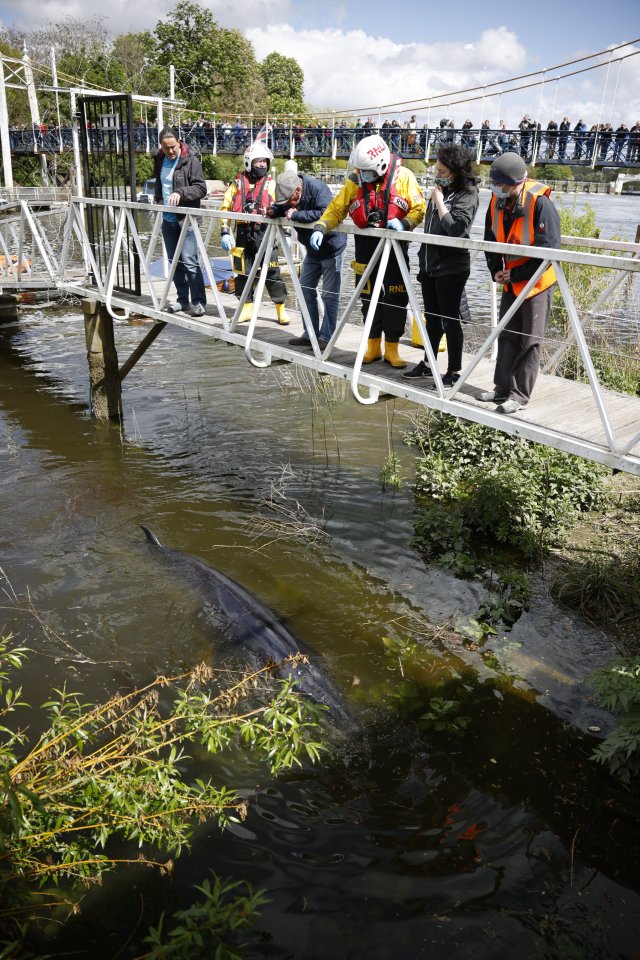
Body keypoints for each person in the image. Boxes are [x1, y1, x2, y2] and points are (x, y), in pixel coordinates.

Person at [309, 134, 426, 368]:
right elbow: (337, 207)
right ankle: (373, 346)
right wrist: (321, 226)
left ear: (381, 164)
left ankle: (392, 349)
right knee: (367, 296)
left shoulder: (404, 177)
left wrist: (404, 223)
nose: (362, 176)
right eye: (360, 171)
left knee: (395, 297)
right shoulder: (356, 179)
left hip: (394, 247)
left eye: (366, 171)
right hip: (365, 246)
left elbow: (419, 207)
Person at [478, 152, 561, 414]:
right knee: (508, 334)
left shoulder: (540, 203)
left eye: (499, 185)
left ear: (515, 183)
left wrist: (516, 274)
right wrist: (496, 270)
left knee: (530, 341)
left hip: (537, 283)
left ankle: (519, 396)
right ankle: (501, 389)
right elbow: (489, 240)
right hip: (510, 280)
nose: (495, 189)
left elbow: (550, 251)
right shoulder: (496, 200)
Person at [403, 144, 479, 385]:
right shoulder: (441, 190)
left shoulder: (468, 193)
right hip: (430, 265)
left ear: (457, 172)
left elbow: (457, 229)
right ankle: (428, 364)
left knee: (449, 319)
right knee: (432, 319)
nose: (438, 175)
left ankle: (454, 371)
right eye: (437, 170)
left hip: (452, 266)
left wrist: (438, 202)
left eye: (443, 172)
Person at [267, 168, 346, 349]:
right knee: (304, 288)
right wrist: (273, 210)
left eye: (289, 200)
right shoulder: (291, 195)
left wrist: (296, 215)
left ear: (297, 191)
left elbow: (326, 213)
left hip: (331, 248)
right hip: (312, 250)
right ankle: (310, 333)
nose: (288, 204)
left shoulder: (319, 189)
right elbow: (284, 208)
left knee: (329, 295)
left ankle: (327, 337)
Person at [219, 141, 289, 324]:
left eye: (265, 162)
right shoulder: (236, 184)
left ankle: (281, 308)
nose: (262, 165)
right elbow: (225, 208)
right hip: (243, 233)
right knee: (243, 273)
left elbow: (284, 207)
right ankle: (246, 307)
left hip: (265, 233)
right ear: (249, 162)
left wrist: (286, 234)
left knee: (272, 272)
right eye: (259, 162)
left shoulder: (272, 185)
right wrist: (225, 231)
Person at [153, 125, 207, 317]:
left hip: (187, 219)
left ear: (179, 142)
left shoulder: (191, 161)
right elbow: (160, 182)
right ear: (161, 146)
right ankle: (182, 300)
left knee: (190, 261)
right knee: (174, 262)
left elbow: (201, 189)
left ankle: (199, 302)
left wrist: (180, 192)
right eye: (166, 148)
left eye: (173, 147)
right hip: (168, 220)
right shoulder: (159, 158)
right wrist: (158, 197)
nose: (170, 151)